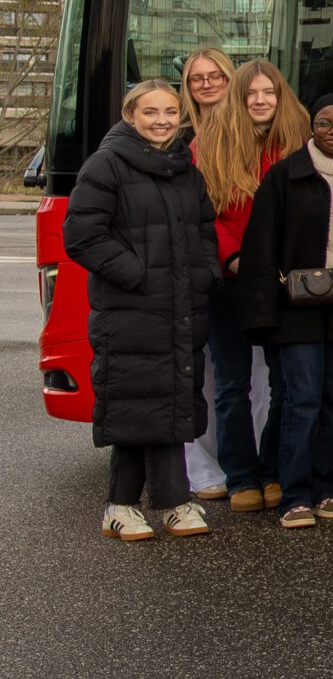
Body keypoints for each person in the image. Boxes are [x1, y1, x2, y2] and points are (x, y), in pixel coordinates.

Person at [69, 80, 221, 542]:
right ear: (130, 115)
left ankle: (121, 507)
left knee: (160, 402)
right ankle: (174, 502)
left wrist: (204, 273)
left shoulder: (183, 168)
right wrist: (139, 275)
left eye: (171, 112)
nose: (162, 121)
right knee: (146, 401)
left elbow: (204, 228)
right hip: (131, 308)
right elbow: (82, 236)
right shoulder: (107, 164)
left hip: (180, 306)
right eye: (151, 112)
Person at [237, 94, 333, 528]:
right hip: (293, 308)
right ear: (312, 128)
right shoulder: (284, 176)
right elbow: (260, 245)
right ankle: (295, 494)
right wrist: (262, 313)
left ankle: (326, 487)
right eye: (324, 123)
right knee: (301, 399)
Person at [194, 59, 310, 513]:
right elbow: (205, 214)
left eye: (269, 93)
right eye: (252, 94)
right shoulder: (208, 144)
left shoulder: (299, 140)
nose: (261, 101)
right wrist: (233, 257)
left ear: (280, 97)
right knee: (230, 384)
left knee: (285, 383)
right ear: (239, 99)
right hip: (231, 280)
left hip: (283, 281)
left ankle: (274, 471)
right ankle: (240, 476)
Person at [178, 47, 236, 144]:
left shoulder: (246, 127)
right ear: (187, 85)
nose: (206, 85)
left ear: (230, 79)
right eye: (197, 79)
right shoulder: (177, 134)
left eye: (216, 77)